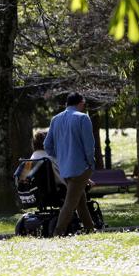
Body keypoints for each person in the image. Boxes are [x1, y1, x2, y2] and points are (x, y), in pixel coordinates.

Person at [44, 92, 96, 236]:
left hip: (64, 168)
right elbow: (89, 145)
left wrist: (61, 157)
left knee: (80, 201)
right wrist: (90, 164)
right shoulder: (83, 118)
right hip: (81, 168)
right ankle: (58, 233)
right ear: (80, 103)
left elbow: (47, 145)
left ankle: (90, 229)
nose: (84, 106)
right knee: (70, 203)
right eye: (83, 104)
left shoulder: (55, 119)